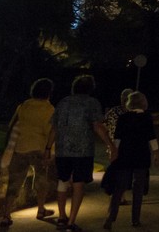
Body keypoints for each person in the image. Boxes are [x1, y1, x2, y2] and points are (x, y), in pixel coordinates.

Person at [46, 75, 114, 232]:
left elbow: (54, 128)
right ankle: (71, 221)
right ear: (90, 88)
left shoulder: (63, 102)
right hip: (83, 151)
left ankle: (62, 216)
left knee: (62, 182)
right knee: (78, 185)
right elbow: (97, 126)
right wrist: (110, 144)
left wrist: (48, 148)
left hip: (63, 150)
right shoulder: (91, 103)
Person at [0, 78, 56, 227]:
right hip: (39, 149)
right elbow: (50, 132)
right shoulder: (49, 110)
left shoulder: (23, 106)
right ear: (49, 93)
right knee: (41, 181)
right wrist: (50, 150)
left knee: (14, 182)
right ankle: (41, 209)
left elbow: (13, 125)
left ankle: (6, 215)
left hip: (20, 148)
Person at [104, 91, 159, 230]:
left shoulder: (123, 118)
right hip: (141, 156)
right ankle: (135, 219)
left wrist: (114, 153)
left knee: (119, 187)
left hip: (125, 156)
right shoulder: (146, 117)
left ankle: (110, 218)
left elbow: (117, 138)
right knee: (138, 189)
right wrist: (156, 153)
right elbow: (151, 136)